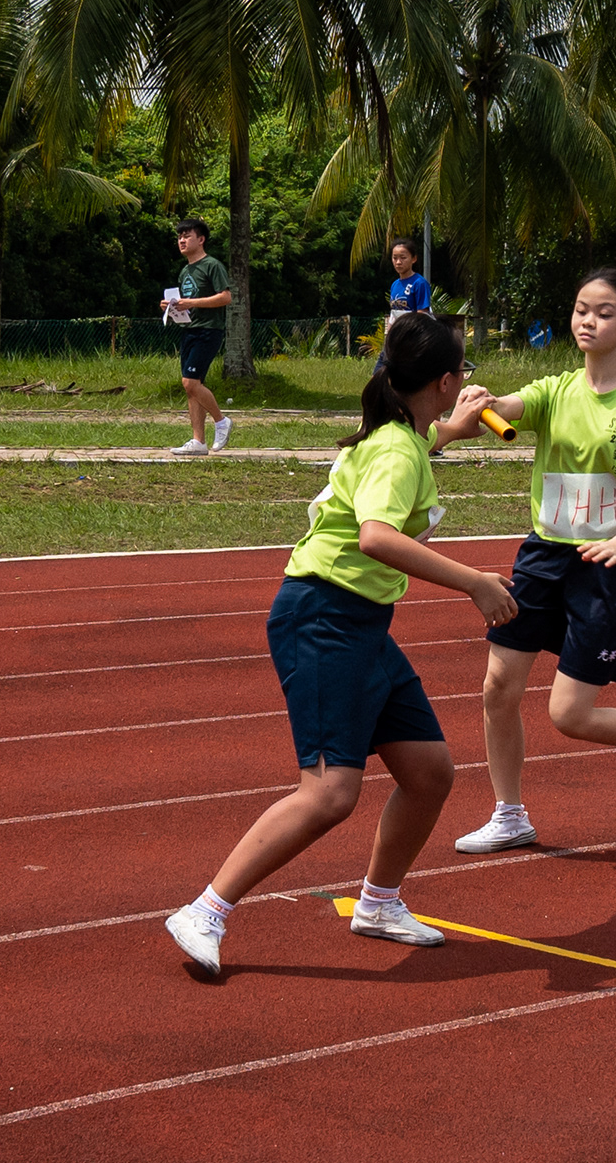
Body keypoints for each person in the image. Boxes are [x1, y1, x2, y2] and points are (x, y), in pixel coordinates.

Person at [164, 313, 518, 976]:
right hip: (324, 617)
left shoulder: (400, 435)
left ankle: (378, 903)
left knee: (429, 773)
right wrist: (474, 582)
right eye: (461, 373)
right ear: (444, 382)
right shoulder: (396, 451)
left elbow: (420, 444)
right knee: (329, 793)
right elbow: (376, 536)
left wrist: (453, 427)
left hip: (361, 622)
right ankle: (205, 911)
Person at [435, 267, 616, 854]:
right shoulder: (556, 390)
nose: (588, 321)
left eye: (604, 312)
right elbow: (508, 407)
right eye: (581, 310)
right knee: (498, 685)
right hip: (545, 553)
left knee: (569, 714)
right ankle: (509, 814)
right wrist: (480, 402)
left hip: (610, 565)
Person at [160, 218, 234, 457]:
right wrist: (172, 308)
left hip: (208, 330)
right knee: (193, 387)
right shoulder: (185, 271)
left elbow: (225, 297)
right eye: (179, 237)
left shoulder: (212, 265)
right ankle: (198, 441)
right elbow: (187, 305)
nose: (182, 240)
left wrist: (191, 302)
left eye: (187, 236)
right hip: (190, 329)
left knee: (189, 383)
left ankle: (221, 421)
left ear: (201, 239)